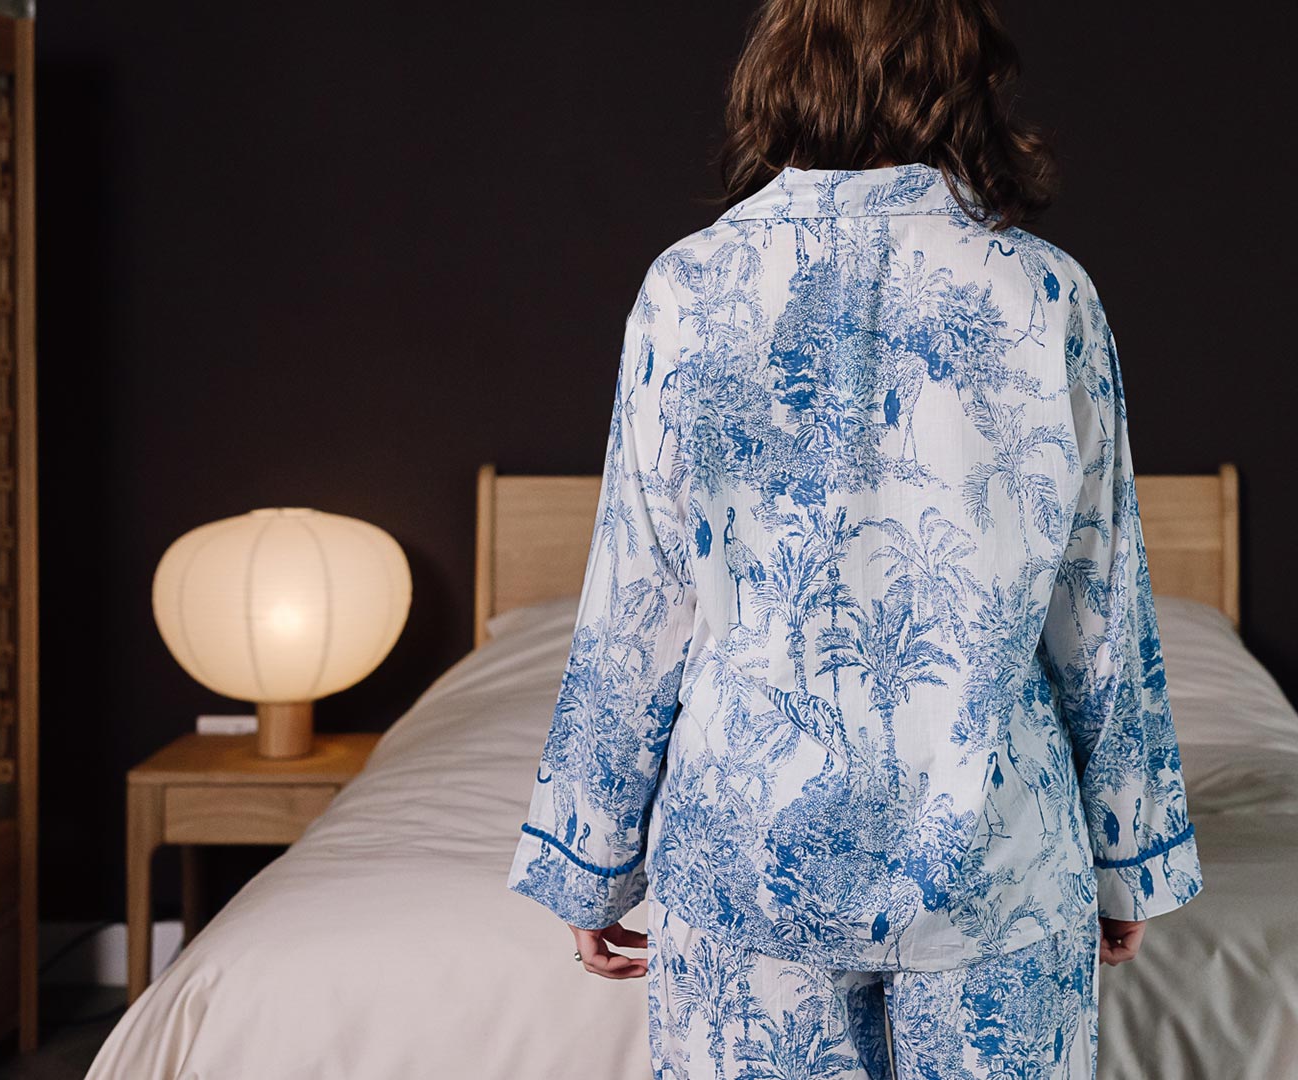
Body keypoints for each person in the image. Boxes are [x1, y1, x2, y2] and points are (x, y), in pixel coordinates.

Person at [508, 1, 1202, 1075]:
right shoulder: (1045, 289)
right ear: (964, 76)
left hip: (745, 859)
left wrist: (590, 859)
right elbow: (1097, 600)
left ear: (781, 72)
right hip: (1001, 861)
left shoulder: (688, 286)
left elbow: (639, 595)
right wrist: (1129, 853)